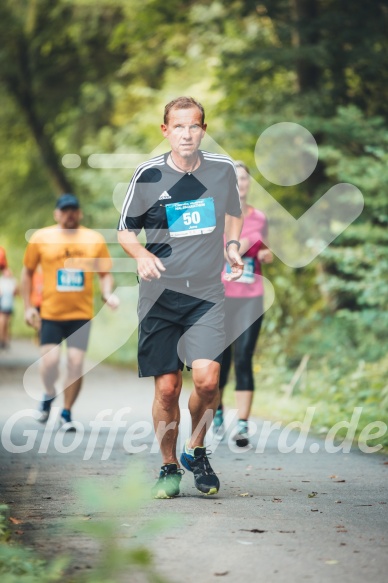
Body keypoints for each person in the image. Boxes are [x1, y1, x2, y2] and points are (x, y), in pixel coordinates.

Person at [118, 96, 244, 498]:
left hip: (206, 291)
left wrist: (234, 246)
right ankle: (168, 466)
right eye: (178, 127)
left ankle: (197, 450)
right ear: (165, 130)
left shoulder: (222, 170)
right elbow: (125, 230)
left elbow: (234, 211)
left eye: (194, 126)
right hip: (159, 296)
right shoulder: (148, 175)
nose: (186, 134)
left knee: (208, 381)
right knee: (168, 389)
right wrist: (140, 255)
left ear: (203, 129)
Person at [21, 194, 119, 430]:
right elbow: (27, 272)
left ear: (80, 213)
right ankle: (48, 392)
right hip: (51, 312)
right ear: (56, 214)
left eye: (73, 210)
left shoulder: (93, 239)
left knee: (75, 363)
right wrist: (28, 307)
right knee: (50, 362)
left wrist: (107, 293)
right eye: (65, 210)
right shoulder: (41, 237)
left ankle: (66, 412)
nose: (70, 214)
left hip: (81, 313)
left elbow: (105, 273)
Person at [214, 161, 273, 447]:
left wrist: (265, 255)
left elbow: (262, 247)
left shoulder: (259, 217)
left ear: (250, 184)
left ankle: (243, 425)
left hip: (251, 295)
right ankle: (217, 413)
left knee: (244, 357)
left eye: (244, 180)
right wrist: (241, 244)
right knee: (221, 360)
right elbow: (218, 250)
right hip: (222, 296)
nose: (241, 184)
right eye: (235, 180)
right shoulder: (218, 216)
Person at [0, 267, 19, 349]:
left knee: (8, 324)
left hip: (9, 305)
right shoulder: (1, 281)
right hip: (2, 305)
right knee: (2, 323)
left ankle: (6, 340)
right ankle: (2, 340)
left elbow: (16, 292)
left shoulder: (12, 281)